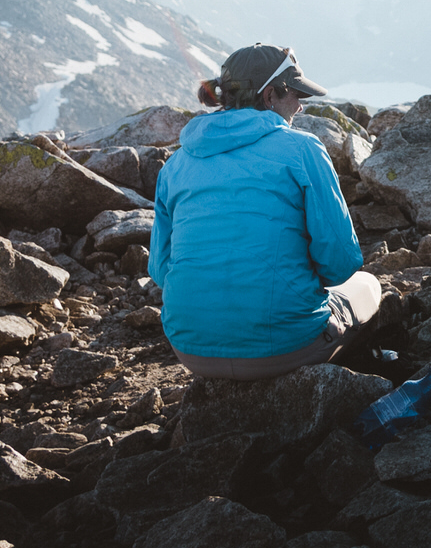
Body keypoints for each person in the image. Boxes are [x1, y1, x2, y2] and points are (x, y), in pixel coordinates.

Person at [151, 42, 398, 379]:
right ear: (269, 97)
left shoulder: (175, 165)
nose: (299, 105)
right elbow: (341, 264)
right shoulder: (302, 150)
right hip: (286, 346)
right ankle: (357, 379)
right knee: (368, 285)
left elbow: (161, 270)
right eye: (295, 93)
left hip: (191, 349)